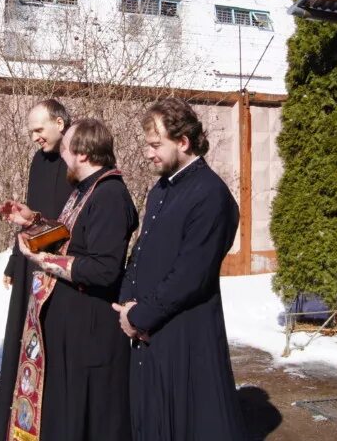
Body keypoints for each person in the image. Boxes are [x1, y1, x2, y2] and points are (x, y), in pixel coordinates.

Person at [114, 99, 247, 440]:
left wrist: (141, 316)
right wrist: (127, 303)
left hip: (185, 333)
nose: (148, 153)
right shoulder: (161, 189)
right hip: (150, 332)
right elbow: (140, 252)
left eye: (156, 145)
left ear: (183, 142)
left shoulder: (211, 195)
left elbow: (191, 275)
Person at [2, 118, 138, 441]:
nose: (61, 156)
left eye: (65, 149)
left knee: (86, 414)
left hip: (90, 329)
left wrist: (44, 260)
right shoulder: (86, 189)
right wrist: (32, 219)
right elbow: (70, 237)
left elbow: (104, 268)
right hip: (71, 325)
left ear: (82, 154)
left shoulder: (110, 195)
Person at [0, 99, 73, 440]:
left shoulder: (77, 159)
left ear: (59, 122)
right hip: (31, 262)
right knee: (24, 342)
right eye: (32, 132)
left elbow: (70, 223)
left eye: (39, 130)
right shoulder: (38, 161)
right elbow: (31, 215)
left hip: (61, 269)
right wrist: (15, 258)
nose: (35, 138)